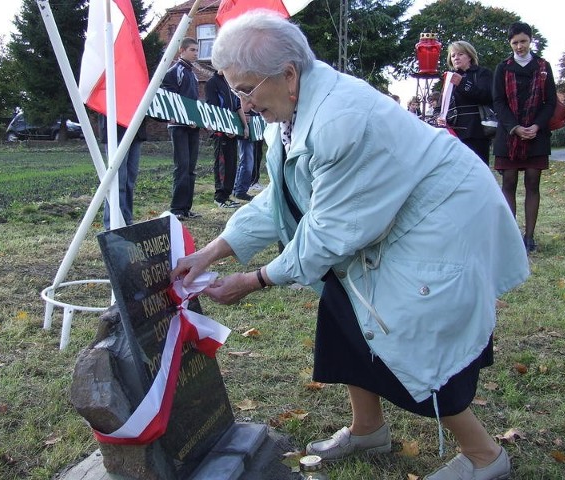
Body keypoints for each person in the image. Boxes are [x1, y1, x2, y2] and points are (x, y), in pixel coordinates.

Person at [170, 11, 529, 480]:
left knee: (409, 324)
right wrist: (211, 251)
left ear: (289, 73)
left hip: (442, 219)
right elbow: (280, 199)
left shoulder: (341, 118)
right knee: (343, 310)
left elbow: (329, 233)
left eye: (245, 90)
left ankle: (486, 457)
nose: (243, 103)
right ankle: (368, 429)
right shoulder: (290, 109)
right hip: (391, 214)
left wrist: (256, 280)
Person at [493, 22, 557, 253]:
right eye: (515, 43)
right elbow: (498, 101)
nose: (519, 46)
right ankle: (510, 237)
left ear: (530, 40)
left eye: (523, 41)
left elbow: (550, 101)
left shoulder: (543, 66)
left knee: (533, 183)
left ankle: (529, 237)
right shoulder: (503, 68)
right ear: (510, 44)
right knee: (508, 183)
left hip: (536, 134)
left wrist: (537, 125)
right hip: (509, 134)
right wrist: (515, 127)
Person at [162, 37, 201, 221]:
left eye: (197, 50)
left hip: (193, 126)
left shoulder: (193, 74)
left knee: (191, 168)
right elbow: (169, 98)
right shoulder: (174, 71)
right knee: (182, 166)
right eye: (192, 49)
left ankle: (186, 208)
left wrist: (199, 119)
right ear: (182, 50)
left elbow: (194, 102)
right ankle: (176, 208)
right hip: (178, 126)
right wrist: (184, 118)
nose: (196, 53)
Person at [442, 41, 494, 165]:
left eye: (460, 54)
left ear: (470, 56)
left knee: (478, 170)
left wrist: (463, 84)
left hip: (476, 131)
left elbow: (486, 96)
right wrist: (441, 116)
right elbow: (444, 104)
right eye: (453, 55)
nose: (456, 58)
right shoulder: (450, 77)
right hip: (454, 133)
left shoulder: (482, 73)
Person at [205, 69, 249, 208]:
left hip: (233, 131)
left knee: (231, 164)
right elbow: (213, 108)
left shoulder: (230, 84)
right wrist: (224, 128)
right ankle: (220, 197)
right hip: (220, 132)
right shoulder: (212, 83)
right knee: (222, 164)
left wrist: (244, 126)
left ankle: (228, 195)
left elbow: (237, 106)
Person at [99, 115, 146, 230]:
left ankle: (126, 220)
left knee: (130, 180)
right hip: (116, 129)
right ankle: (112, 224)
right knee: (117, 180)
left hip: (136, 129)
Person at [233, 107, 255, 201]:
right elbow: (238, 104)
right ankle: (240, 191)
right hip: (244, 125)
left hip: (251, 125)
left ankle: (238, 188)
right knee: (247, 160)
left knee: (246, 160)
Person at [249, 111, 265, 191]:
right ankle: (252, 181)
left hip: (259, 125)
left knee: (258, 154)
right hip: (252, 126)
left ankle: (255, 180)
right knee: (253, 155)